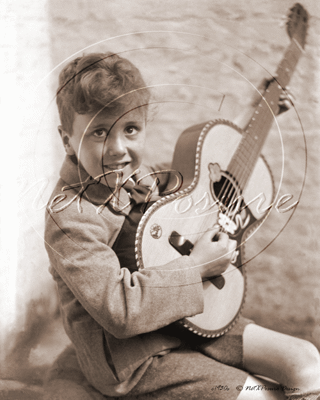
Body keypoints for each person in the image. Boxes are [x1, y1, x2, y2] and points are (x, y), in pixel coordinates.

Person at [43, 52, 320, 400]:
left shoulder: (137, 176)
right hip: (136, 358)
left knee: (306, 363)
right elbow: (119, 309)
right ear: (67, 139)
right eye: (99, 132)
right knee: (258, 396)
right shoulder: (69, 218)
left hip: (191, 321)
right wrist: (196, 266)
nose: (118, 149)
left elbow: (198, 169)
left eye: (130, 129)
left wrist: (256, 113)